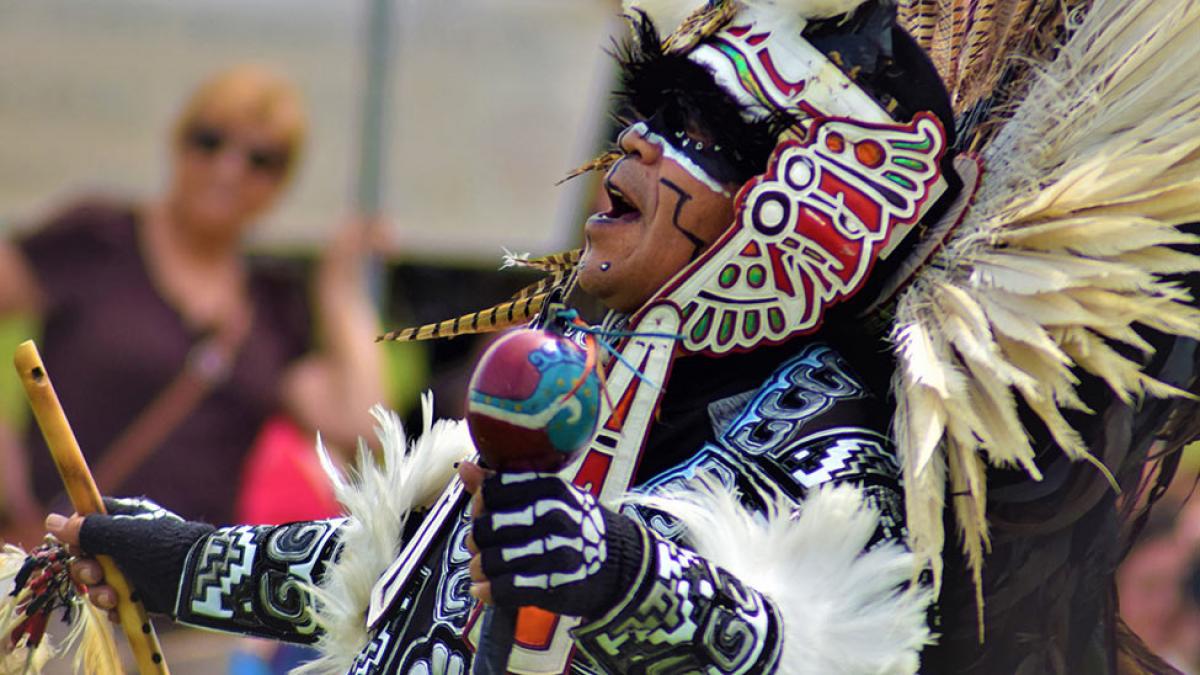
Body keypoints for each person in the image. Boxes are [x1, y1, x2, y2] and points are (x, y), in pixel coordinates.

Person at [32, 0, 1200, 672]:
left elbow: (786, 636)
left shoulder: (832, 437)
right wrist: (172, 554)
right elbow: (390, 580)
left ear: (806, 216)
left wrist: (622, 571)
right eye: (644, 118)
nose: (636, 148)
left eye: (690, 131)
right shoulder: (591, 386)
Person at [0, 64, 386, 543]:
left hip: (182, 595)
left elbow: (359, 424)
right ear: (178, 143)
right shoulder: (99, 237)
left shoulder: (270, 304)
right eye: (210, 141)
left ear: (281, 183)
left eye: (261, 159)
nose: (229, 169)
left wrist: (341, 291)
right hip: (54, 571)